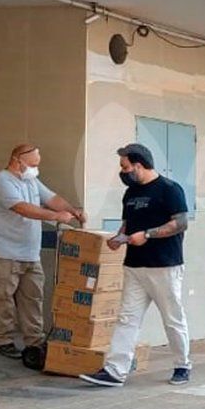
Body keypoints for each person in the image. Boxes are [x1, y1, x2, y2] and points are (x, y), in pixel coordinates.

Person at [80, 143, 192, 387]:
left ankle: (182, 365)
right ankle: (115, 371)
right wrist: (119, 238)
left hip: (164, 266)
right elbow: (127, 224)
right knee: (127, 319)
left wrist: (148, 234)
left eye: (125, 166)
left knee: (172, 318)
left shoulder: (169, 189)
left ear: (139, 165)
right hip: (134, 266)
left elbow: (181, 223)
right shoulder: (130, 193)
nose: (122, 171)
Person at [0, 144, 84, 360]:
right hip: (3, 253)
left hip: (29, 253)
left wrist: (72, 210)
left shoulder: (31, 180)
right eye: (33, 164)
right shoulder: (1, 180)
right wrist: (55, 217)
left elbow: (52, 199)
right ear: (18, 161)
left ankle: (34, 342)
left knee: (33, 298)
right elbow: (21, 208)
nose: (36, 169)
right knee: (2, 299)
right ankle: (2, 340)